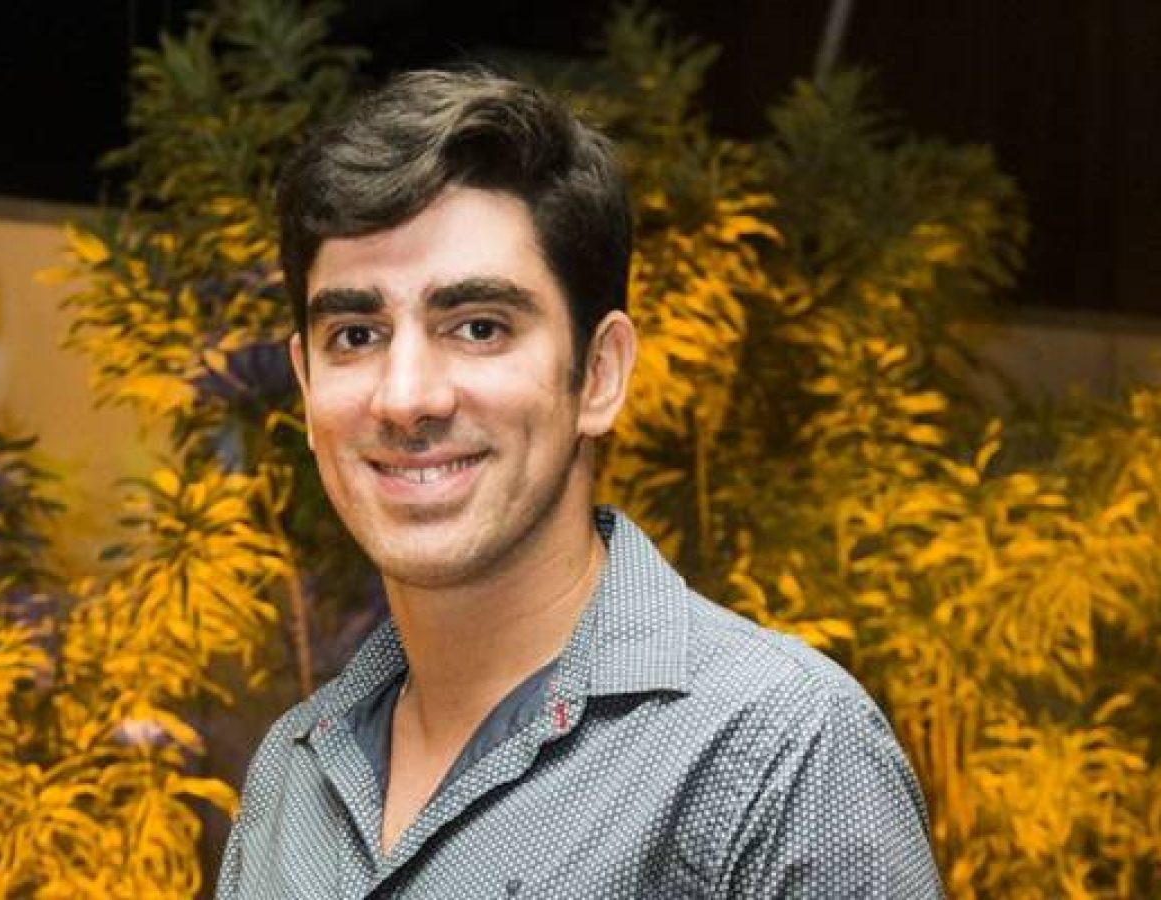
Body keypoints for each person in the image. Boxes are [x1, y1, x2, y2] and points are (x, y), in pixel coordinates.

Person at [216, 69, 944, 899]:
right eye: (356, 334)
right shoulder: (291, 779)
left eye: (478, 327)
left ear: (600, 374)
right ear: (306, 385)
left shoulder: (778, 755)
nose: (406, 396)